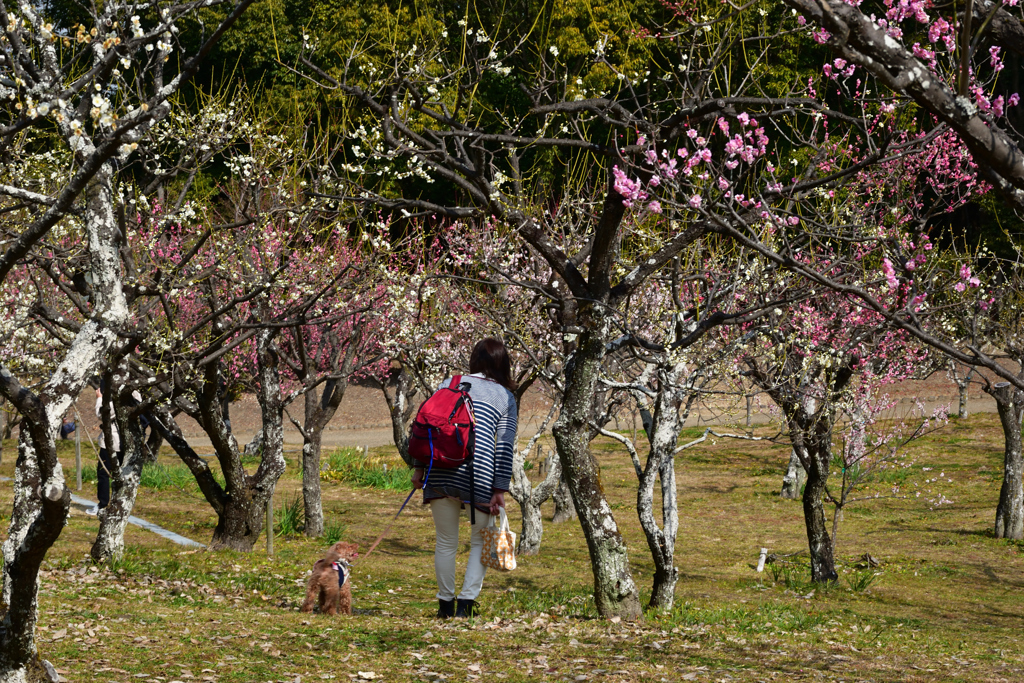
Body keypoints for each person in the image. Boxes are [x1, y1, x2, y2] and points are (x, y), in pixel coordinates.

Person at [412, 338, 519, 619]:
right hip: (479, 475)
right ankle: (465, 605)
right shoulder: (505, 397)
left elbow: (426, 426)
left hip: (440, 469)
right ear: (503, 365)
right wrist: (500, 488)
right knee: (479, 542)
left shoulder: (449, 382)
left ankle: (445, 605)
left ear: (473, 360)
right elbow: (504, 445)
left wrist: (419, 469)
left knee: (445, 542)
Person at [87, 381, 124, 516]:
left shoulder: (116, 400)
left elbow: (102, 414)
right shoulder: (135, 395)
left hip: (112, 442)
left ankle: (103, 505)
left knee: (104, 474)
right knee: (121, 475)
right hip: (125, 442)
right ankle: (118, 504)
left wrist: (100, 399)